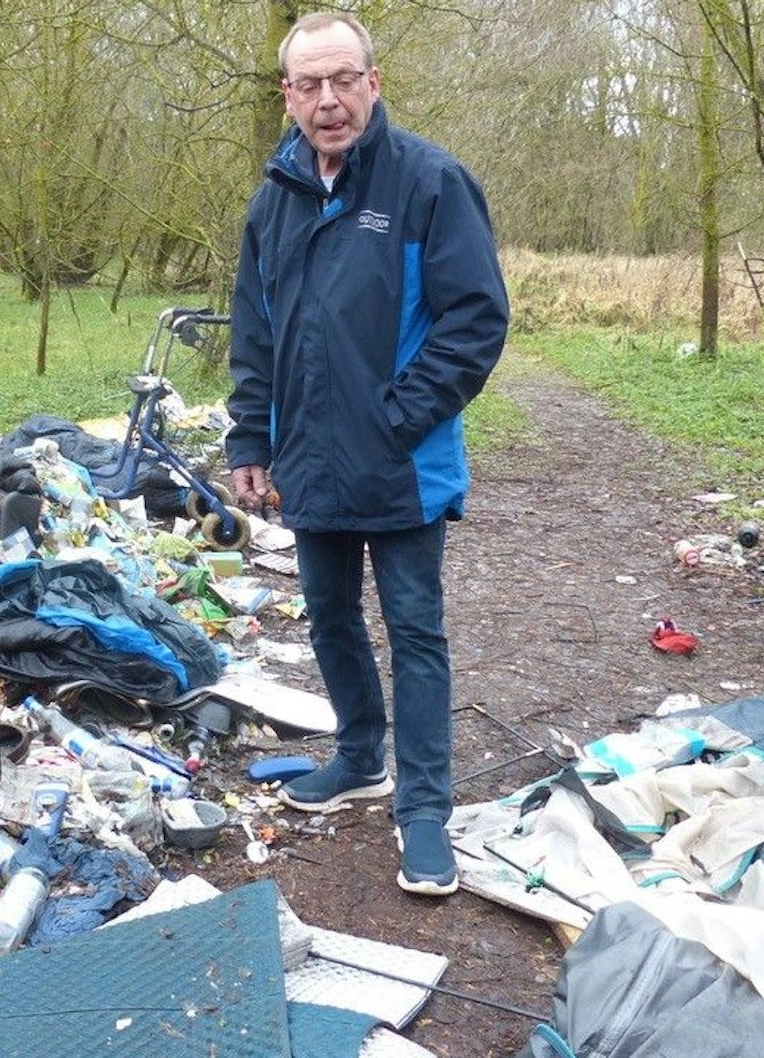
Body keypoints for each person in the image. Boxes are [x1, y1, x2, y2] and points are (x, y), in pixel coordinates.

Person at [225, 12, 509, 896]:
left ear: (373, 82)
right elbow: (254, 329)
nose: (328, 100)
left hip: (402, 460)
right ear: (288, 96)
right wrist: (250, 435)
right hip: (307, 458)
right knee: (329, 616)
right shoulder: (275, 195)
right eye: (308, 85)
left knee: (414, 631)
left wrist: (397, 418)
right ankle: (359, 754)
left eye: (343, 79)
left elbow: (475, 322)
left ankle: (424, 811)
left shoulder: (429, 182)